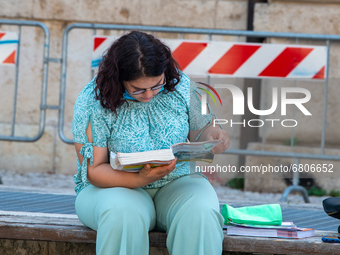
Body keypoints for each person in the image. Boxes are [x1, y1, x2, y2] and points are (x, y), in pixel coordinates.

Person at [72, 30, 230, 255]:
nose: (148, 95)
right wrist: (139, 179)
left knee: (202, 211)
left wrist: (213, 136)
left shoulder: (180, 85)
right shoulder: (94, 100)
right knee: (122, 215)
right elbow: (93, 171)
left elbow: (203, 129)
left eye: (156, 85)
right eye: (138, 89)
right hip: (112, 188)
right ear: (119, 78)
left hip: (177, 182)